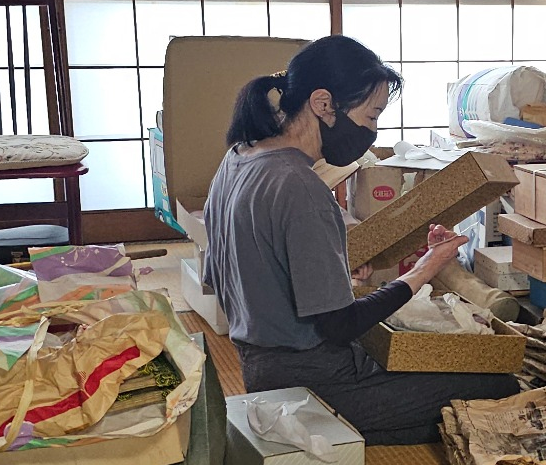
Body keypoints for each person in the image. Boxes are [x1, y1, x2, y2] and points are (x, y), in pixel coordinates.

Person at [204, 35, 519, 444]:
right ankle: (344, 431)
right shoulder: (300, 187)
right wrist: (426, 268)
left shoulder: (238, 159)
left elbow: (225, 276)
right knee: (499, 388)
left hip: (256, 367)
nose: (372, 131)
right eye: (371, 117)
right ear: (323, 104)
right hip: (314, 383)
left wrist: (331, 268)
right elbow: (339, 325)